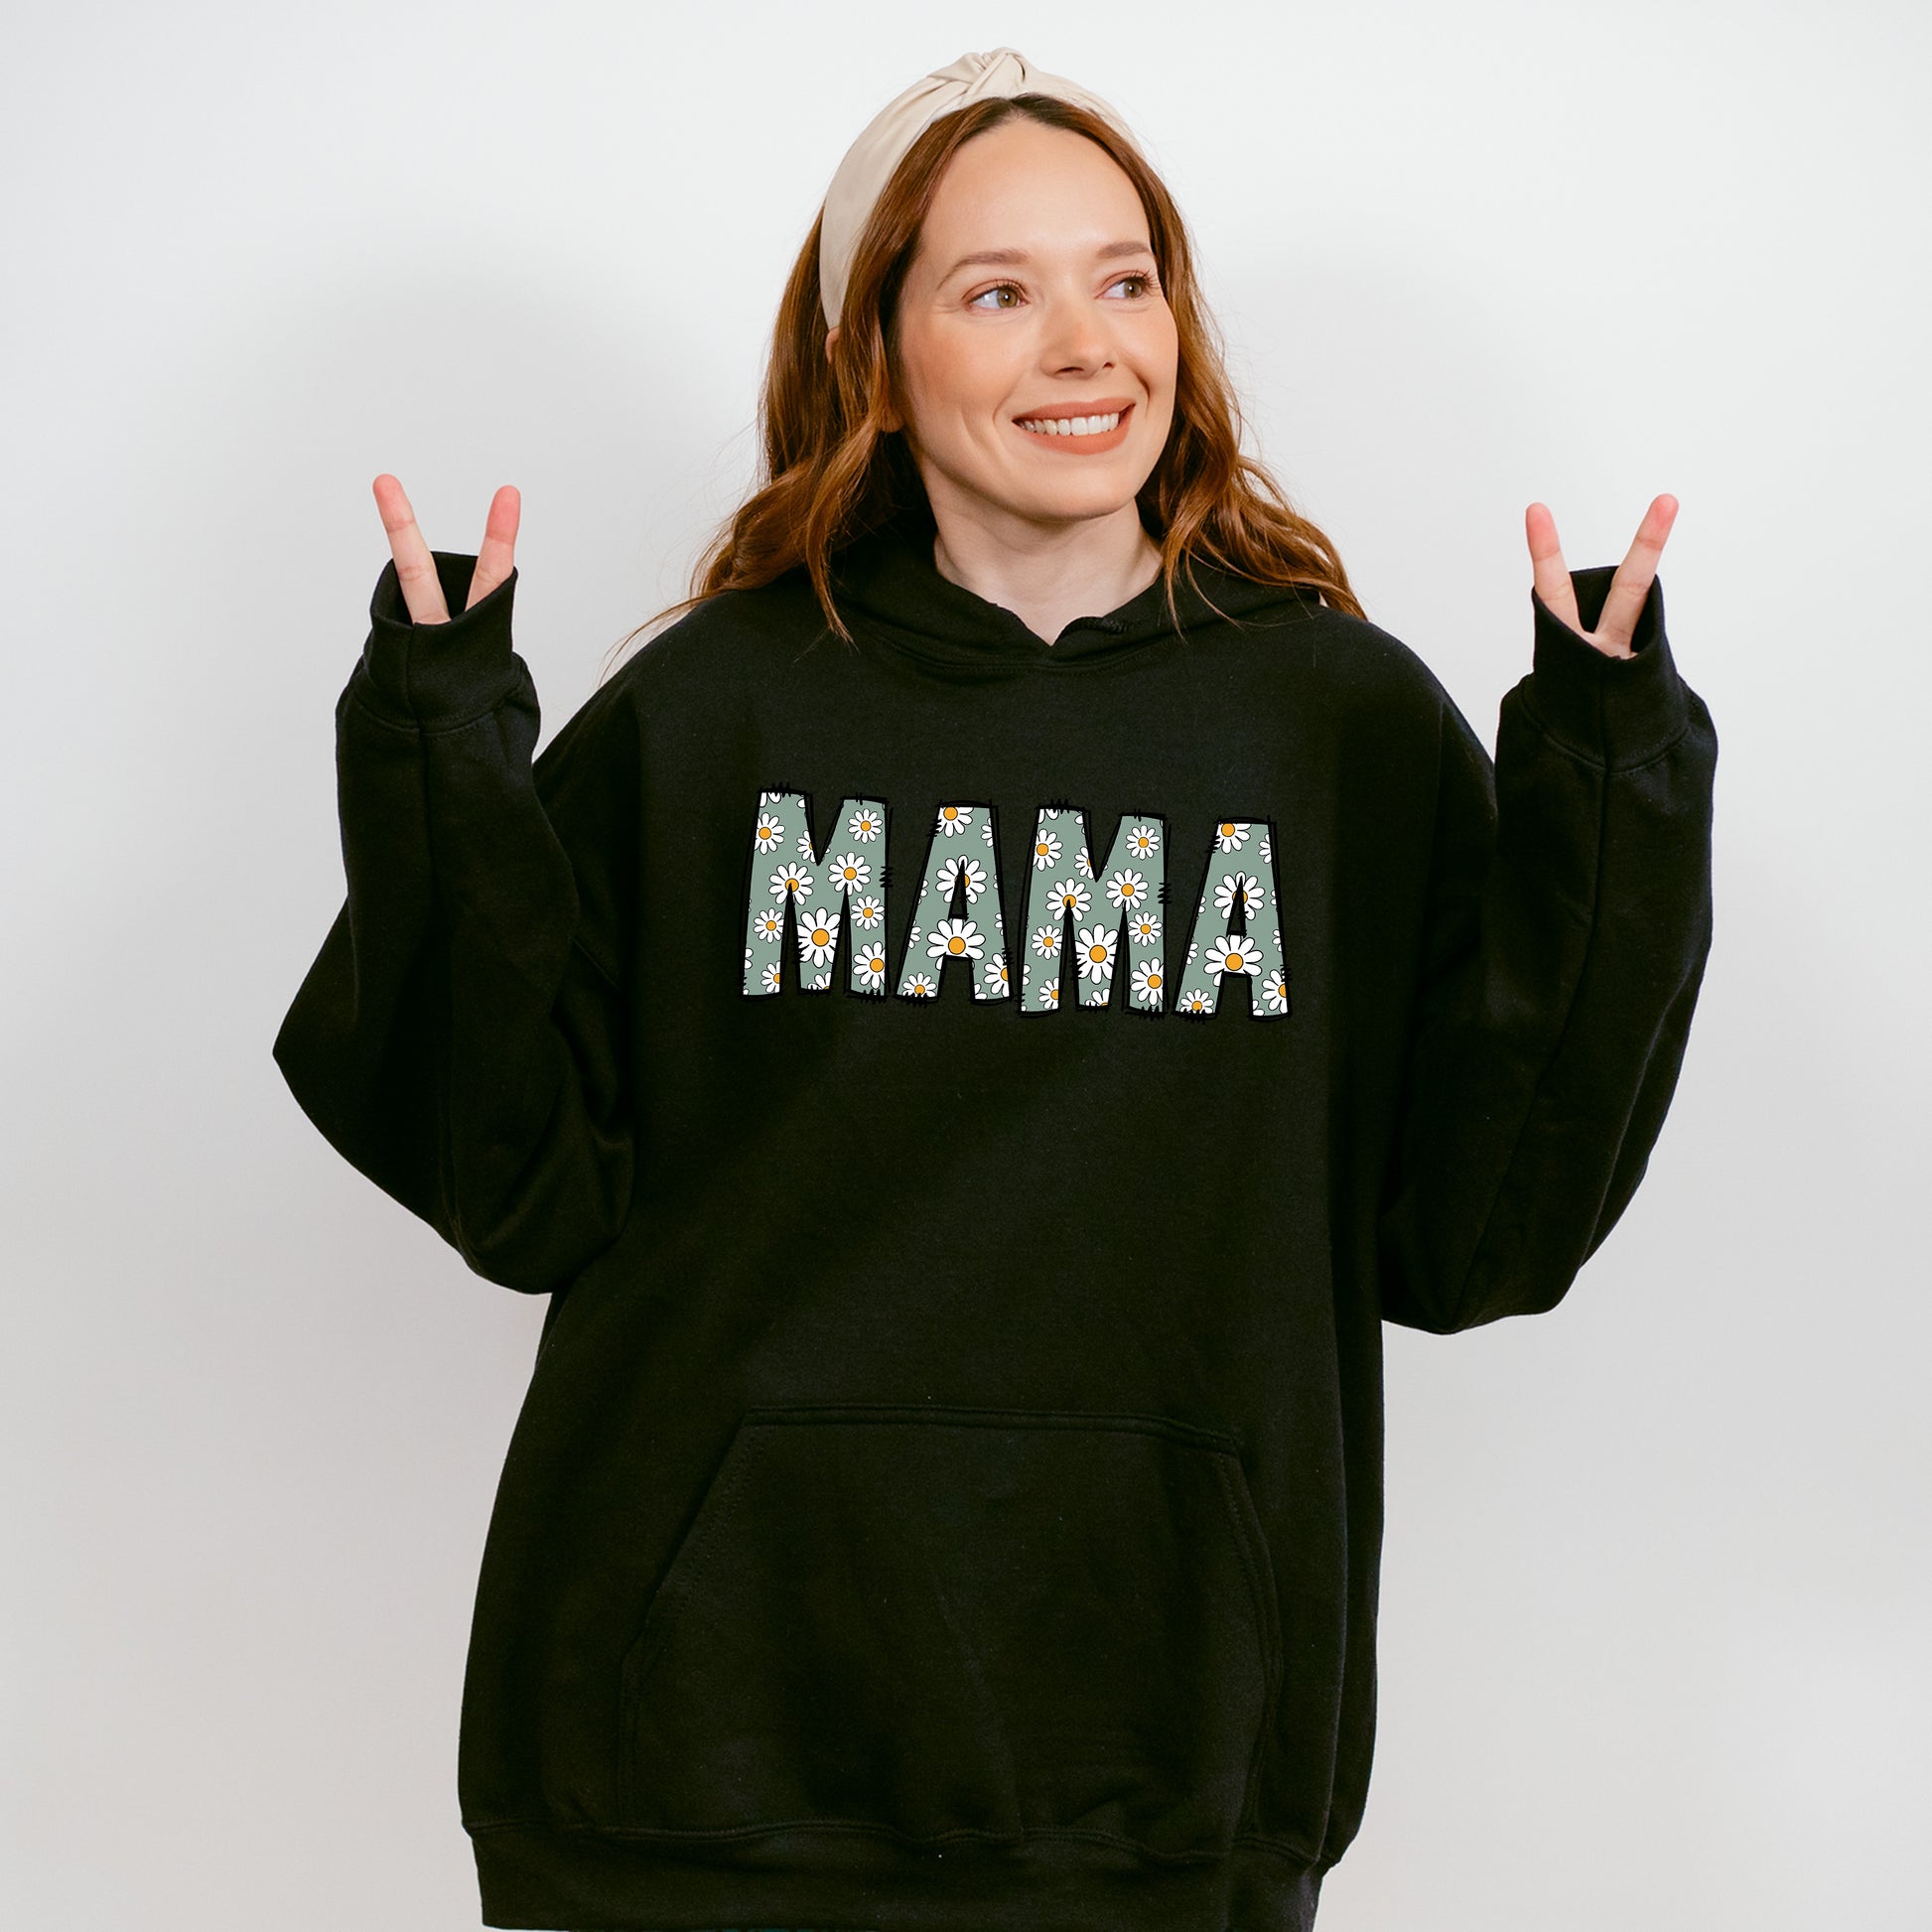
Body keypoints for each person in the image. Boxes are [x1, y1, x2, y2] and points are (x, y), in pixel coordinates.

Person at [273, 46, 1717, 1932]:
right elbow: (513, 1178)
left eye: (1125, 280)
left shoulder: (1329, 723)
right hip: (698, 1762)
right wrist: (439, 743)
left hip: (1158, 1769)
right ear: (875, 353)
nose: (1083, 346)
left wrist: (1607, 767)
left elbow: (1479, 1229)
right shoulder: (721, 706)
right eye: (996, 291)